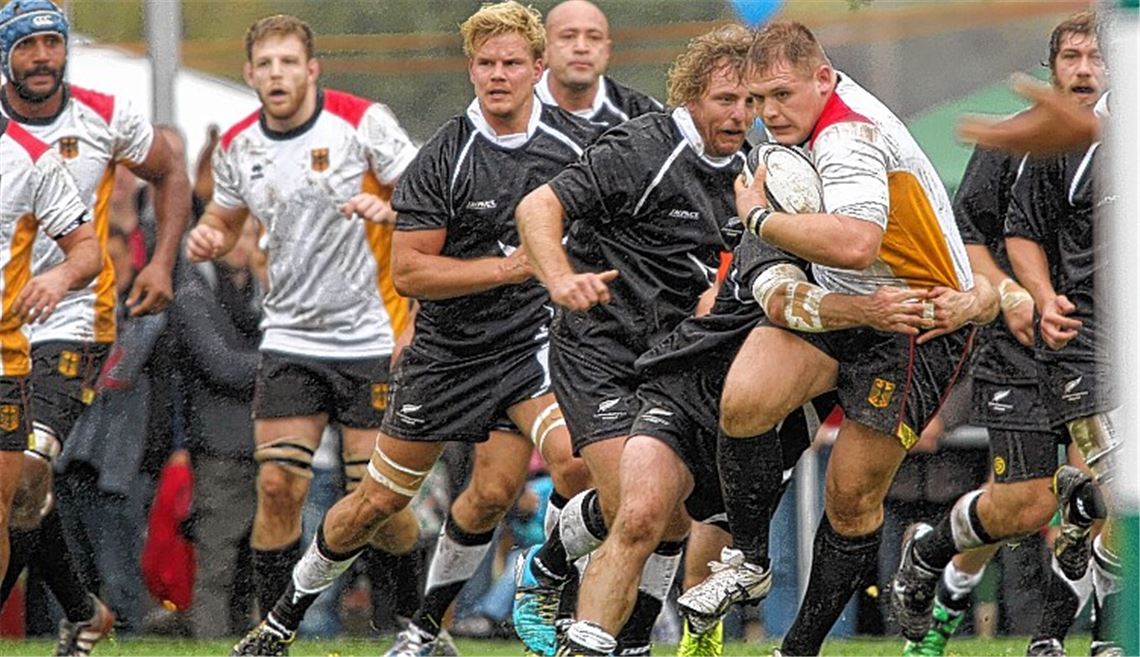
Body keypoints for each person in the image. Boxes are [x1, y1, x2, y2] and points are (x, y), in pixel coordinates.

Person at [227, 4, 598, 655]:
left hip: (530, 347)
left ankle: (516, 599)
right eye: (486, 63)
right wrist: (509, 267)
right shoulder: (444, 156)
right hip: (447, 355)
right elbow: (410, 273)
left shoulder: (575, 148)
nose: (498, 75)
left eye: (512, 63)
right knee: (375, 502)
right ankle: (281, 619)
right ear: (471, 69)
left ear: (539, 67)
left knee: (559, 469)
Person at [675, 22, 996, 657]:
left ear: (824, 79)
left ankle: (799, 648)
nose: (768, 113)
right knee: (744, 401)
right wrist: (833, 289)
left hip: (913, 325)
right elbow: (782, 288)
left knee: (849, 499)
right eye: (757, 99)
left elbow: (855, 244)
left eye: (782, 95)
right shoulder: (778, 151)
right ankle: (750, 560)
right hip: (847, 305)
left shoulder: (848, 136)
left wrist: (759, 217)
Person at [513, 23, 755, 657]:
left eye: (750, 101)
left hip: (671, 360)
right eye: (725, 100)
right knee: (636, 508)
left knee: (667, 512)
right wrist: (560, 278)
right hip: (598, 348)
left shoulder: (754, 170)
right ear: (693, 96)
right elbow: (538, 207)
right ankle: (547, 566)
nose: (740, 114)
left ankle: (631, 640)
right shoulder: (642, 148)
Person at [184, 13, 422, 627]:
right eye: (265, 64)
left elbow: (430, 196)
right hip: (289, 337)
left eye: (288, 62)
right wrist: (208, 235)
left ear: (312, 69)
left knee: (379, 502)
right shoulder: (240, 144)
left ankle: (414, 624)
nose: (277, 74)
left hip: (369, 335)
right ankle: (274, 630)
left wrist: (391, 209)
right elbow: (224, 219)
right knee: (277, 486)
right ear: (249, 74)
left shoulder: (361, 122)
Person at [897, 12, 1109, 656]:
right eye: (1071, 57)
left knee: (1102, 493)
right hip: (1017, 350)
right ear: (1052, 67)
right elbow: (968, 240)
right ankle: (933, 555)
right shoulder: (1014, 142)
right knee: (1025, 507)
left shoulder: (1120, 145)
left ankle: (1063, 638)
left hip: (1089, 343)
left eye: (1096, 57)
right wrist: (1015, 294)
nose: (1083, 70)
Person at [0, 0, 190, 652]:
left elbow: (169, 170)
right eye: (27, 47)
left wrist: (162, 261)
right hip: (7, 319)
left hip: (77, 315)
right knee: (23, 490)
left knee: (29, 467)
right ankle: (84, 610)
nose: (43, 58)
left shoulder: (105, 115)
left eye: (53, 43)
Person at [0, 114, 102, 642]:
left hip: (45, 334)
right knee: (25, 489)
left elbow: (89, 250)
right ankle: (83, 609)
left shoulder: (34, 156)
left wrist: (60, 276)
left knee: (22, 481)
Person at [172, 218, 263, 638]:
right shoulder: (193, 294)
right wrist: (282, 364)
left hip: (265, 443)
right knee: (217, 557)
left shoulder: (264, 296)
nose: (244, 244)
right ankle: (208, 639)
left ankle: (249, 640)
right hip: (220, 447)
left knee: (255, 561)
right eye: (235, 235)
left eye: (250, 235)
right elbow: (220, 365)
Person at [536, 0, 661, 128]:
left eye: (594, 37)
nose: (581, 48)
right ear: (545, 47)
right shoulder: (523, 105)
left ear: (607, 50)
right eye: (568, 36)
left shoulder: (645, 116)